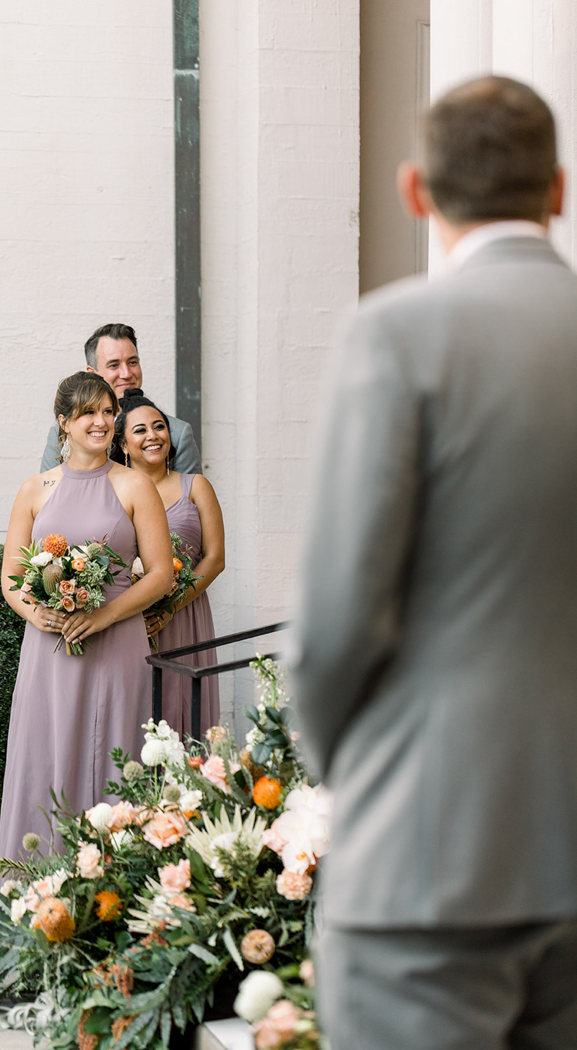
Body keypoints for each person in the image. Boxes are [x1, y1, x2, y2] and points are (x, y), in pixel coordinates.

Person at [291, 76, 577, 1050]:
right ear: (559, 190)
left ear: (416, 191)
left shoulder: (396, 335)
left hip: (429, 852)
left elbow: (336, 619)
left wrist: (345, 770)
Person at [0, 372, 173, 870]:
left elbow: (159, 574)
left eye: (107, 411)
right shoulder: (35, 489)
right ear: (64, 423)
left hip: (117, 644)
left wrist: (104, 616)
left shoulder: (134, 484)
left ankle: (117, 882)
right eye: (88, 413)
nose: (101, 422)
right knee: (45, 756)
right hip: (48, 649)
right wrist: (39, 612)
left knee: (116, 752)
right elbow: (11, 577)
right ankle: (38, 883)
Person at [112, 389, 224, 736]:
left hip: (186, 616)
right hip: (133, 621)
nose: (153, 436)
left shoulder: (196, 486)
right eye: (141, 430)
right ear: (124, 445)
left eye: (159, 427)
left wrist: (172, 606)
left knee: (185, 715)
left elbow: (215, 558)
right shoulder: (112, 494)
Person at [40, 323, 202, 475]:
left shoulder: (178, 433)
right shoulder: (62, 433)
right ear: (92, 373)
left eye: (132, 362)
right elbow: (47, 497)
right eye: (113, 365)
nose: (126, 374)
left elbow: (190, 500)